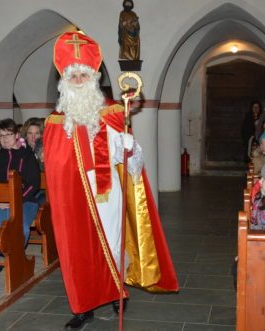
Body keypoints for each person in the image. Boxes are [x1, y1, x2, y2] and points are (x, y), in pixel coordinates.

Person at [43, 32, 178, 329]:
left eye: (83, 74)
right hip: (73, 195)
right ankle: (83, 305)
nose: (78, 79)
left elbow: (131, 162)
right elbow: (54, 166)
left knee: (113, 241)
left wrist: (129, 146)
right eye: (73, 75)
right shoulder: (55, 122)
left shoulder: (113, 113)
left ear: (93, 78)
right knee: (77, 248)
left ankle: (117, 290)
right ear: (64, 81)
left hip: (106, 191)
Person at [0, 118, 40, 272]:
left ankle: (15, 258)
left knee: (21, 229)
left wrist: (15, 200)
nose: (5, 138)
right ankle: (1, 257)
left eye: (8, 134)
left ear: (17, 135)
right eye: (1, 135)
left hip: (23, 201)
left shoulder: (27, 156)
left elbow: (34, 183)